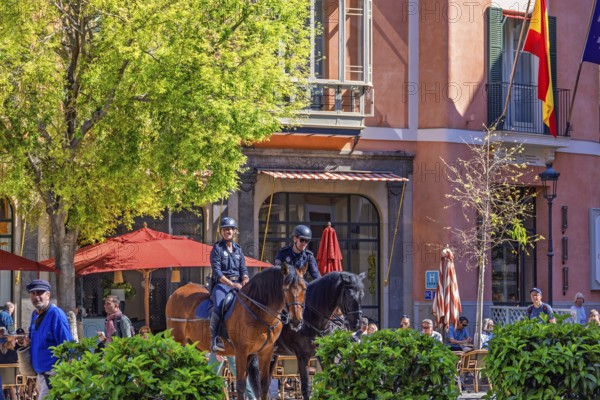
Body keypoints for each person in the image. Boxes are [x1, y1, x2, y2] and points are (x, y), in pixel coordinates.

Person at [26, 279, 74, 400]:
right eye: (33, 293)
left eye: (40, 293)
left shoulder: (56, 315)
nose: (36, 297)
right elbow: (34, 337)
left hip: (53, 375)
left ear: (48, 295)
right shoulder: (35, 314)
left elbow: (69, 346)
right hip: (41, 375)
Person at [209, 217, 250, 352]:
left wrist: (245, 279)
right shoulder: (217, 249)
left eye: (230, 229)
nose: (228, 231)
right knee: (220, 305)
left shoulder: (238, 249)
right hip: (222, 285)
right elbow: (217, 272)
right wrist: (232, 284)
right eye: (225, 229)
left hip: (238, 285)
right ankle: (215, 338)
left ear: (234, 232)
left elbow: (243, 268)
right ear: (221, 231)